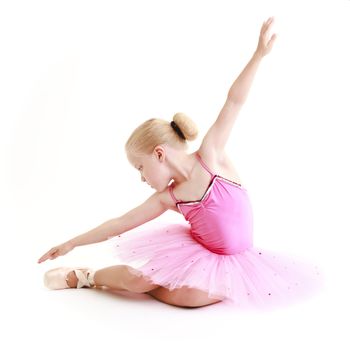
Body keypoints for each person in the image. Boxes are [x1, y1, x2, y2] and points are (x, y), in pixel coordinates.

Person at [37, 17, 323, 310]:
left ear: (159, 154)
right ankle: (87, 276)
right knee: (144, 283)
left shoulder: (211, 155)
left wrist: (258, 56)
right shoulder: (168, 198)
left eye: (140, 167)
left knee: (193, 298)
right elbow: (119, 224)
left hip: (233, 258)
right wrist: (72, 242)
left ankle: (162, 285)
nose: (141, 178)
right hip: (201, 252)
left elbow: (234, 101)